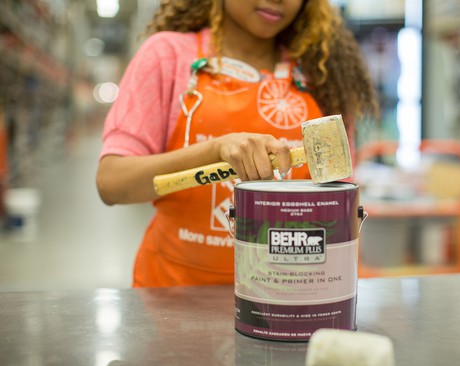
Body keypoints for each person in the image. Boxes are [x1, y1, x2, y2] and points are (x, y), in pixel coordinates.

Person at [96, 0, 378, 287]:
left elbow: (340, 207)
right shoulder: (168, 56)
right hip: (174, 297)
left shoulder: (323, 72)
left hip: (290, 299)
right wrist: (214, 151)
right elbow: (112, 182)